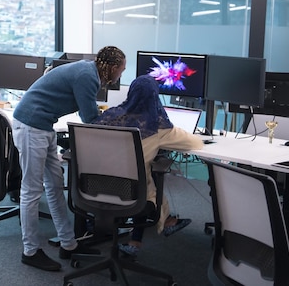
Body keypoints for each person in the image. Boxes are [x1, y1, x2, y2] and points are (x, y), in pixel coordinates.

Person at [12, 46, 127, 271]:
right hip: (30, 125)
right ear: (112, 68)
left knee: (55, 185)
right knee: (31, 192)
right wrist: (120, 119)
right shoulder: (88, 77)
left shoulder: (88, 71)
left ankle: (68, 244)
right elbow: (90, 118)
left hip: (43, 125)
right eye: (121, 70)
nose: (120, 75)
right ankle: (30, 251)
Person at [92, 74, 204, 258]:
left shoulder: (109, 116)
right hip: (131, 193)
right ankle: (165, 222)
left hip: (94, 188)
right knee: (145, 181)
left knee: (142, 177)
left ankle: (141, 238)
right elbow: (195, 144)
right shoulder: (157, 126)